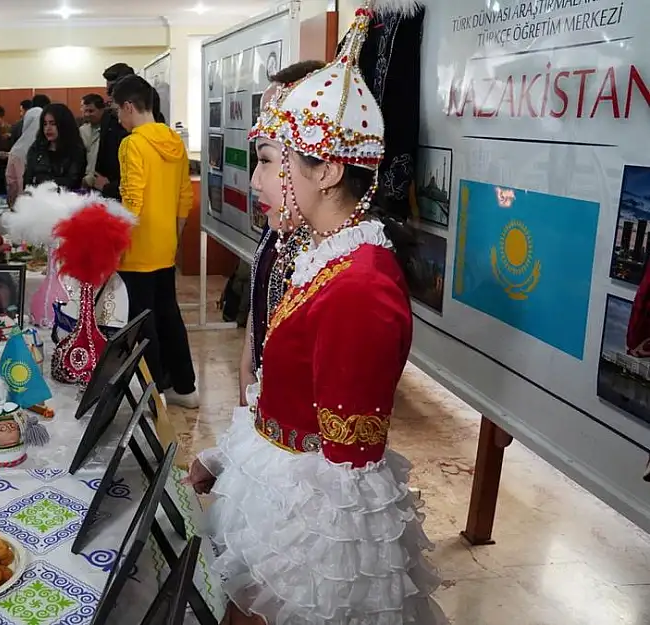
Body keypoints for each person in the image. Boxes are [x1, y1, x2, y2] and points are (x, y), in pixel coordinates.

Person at [184, 5, 445, 624]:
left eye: (273, 162)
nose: (259, 180)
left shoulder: (360, 288)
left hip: (308, 538)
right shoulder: (325, 257)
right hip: (280, 499)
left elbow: (346, 484)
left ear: (325, 171)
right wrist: (225, 460)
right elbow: (287, 398)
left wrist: (306, 586)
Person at [237, 60, 324, 406]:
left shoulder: (333, 253)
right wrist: (246, 369)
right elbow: (259, 299)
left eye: (268, 159)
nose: (256, 180)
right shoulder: (281, 224)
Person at [112, 75, 198, 408]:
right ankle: (185, 387)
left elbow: (131, 199)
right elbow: (183, 196)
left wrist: (117, 241)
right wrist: (173, 238)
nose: (119, 119)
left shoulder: (133, 143)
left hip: (137, 246)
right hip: (164, 245)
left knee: (141, 320)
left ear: (129, 106)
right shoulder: (173, 140)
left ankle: (154, 393)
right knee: (168, 314)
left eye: (118, 111)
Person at [93, 62, 165, 200]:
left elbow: (151, 170)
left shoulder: (153, 123)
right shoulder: (108, 117)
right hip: (109, 194)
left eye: (112, 91)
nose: (110, 98)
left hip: (136, 196)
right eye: (108, 92)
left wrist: (111, 187)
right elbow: (102, 157)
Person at [22, 102, 86, 191]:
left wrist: (41, 181)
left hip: (66, 200)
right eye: (45, 124)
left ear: (64, 124)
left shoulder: (76, 150)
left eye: (53, 123)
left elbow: (72, 182)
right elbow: (28, 180)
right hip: (37, 199)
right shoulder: (36, 148)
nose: (48, 128)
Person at [5, 106, 42, 206]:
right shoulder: (49, 147)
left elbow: (11, 184)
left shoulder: (16, 150)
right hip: (44, 205)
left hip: (21, 207)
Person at [79, 93, 104, 188]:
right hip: (83, 181)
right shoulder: (82, 130)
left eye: (91, 111)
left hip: (100, 181)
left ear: (101, 110)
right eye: (85, 111)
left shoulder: (110, 130)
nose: (87, 114)